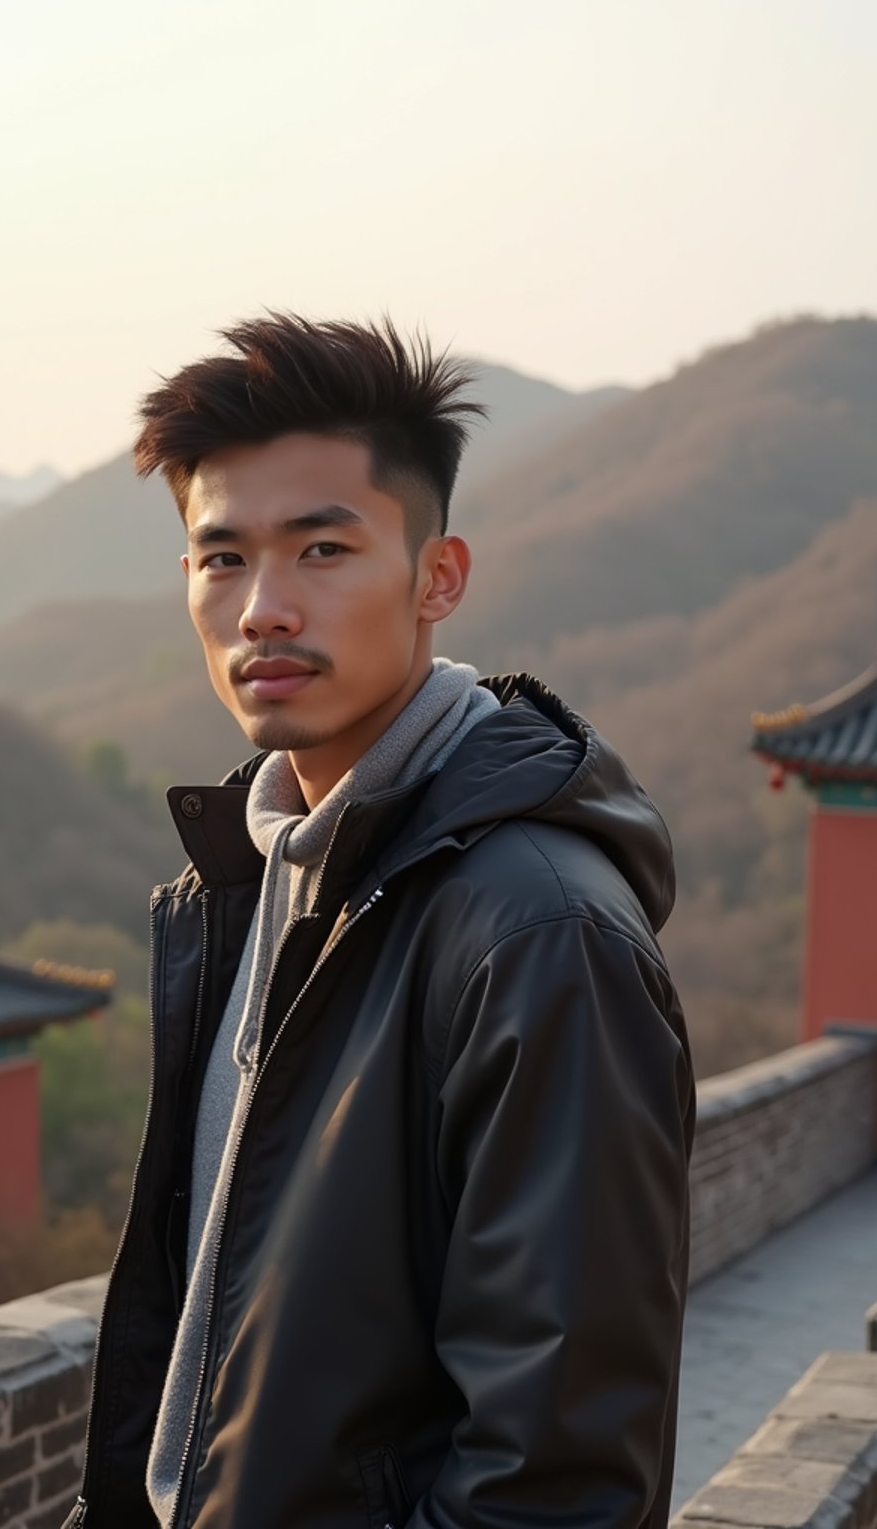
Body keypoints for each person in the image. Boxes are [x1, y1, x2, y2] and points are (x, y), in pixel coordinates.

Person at [63, 314, 695, 1529]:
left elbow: (556, 1477)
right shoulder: (253, 881)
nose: (262, 609)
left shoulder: (534, 933)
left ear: (437, 579)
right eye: (222, 559)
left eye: (321, 550)